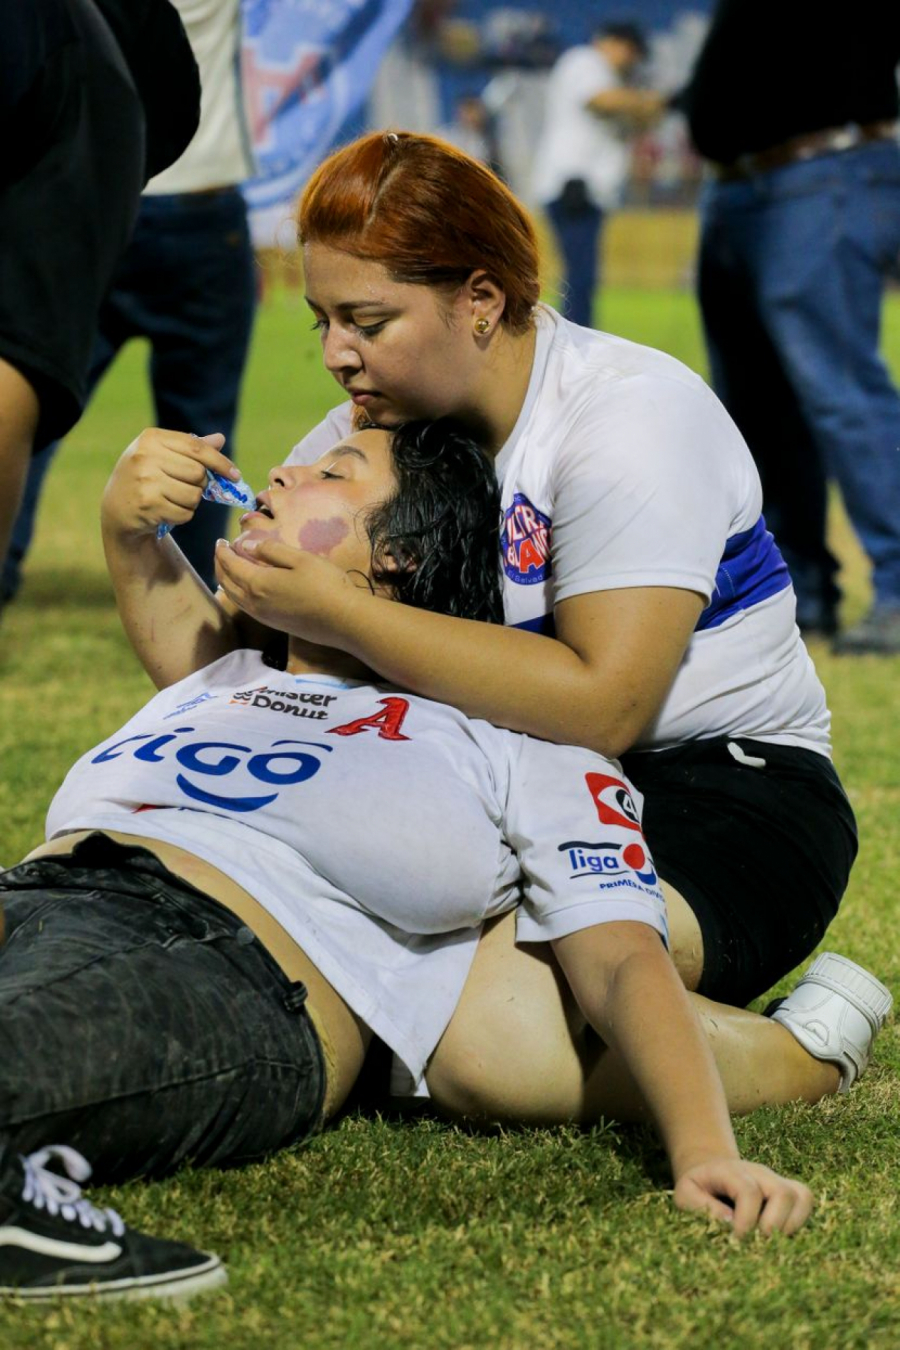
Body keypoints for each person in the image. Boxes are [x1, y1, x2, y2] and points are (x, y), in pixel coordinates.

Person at [0, 419, 888, 1301]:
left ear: (400, 558)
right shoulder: (227, 681)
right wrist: (130, 521)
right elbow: (159, 600)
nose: (281, 467)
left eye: (332, 473)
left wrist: (703, 1155)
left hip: (226, 968)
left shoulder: (516, 737)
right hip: (40, 891)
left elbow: (619, 956)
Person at [209, 130, 865, 1120]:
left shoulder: (629, 419)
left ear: (481, 301)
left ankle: (808, 1045)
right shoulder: (365, 430)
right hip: (483, 771)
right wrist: (140, 547)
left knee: (489, 1026)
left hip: (716, 789)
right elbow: (243, 682)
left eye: (370, 319)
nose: (340, 353)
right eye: (324, 323)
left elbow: (605, 706)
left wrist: (337, 606)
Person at [2, 0, 255, 602]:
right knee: (203, 429)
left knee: (35, 379)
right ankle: (198, 604)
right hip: (200, 196)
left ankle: (6, 568)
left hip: (80, 180)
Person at [678, 1, 900, 652]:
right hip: (737, 184)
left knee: (842, 394)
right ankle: (795, 592)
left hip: (822, 169)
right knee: (756, 407)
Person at [532, 19, 665, 327]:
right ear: (616, 43)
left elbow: (640, 122)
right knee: (579, 279)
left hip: (590, 191)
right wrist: (651, 100)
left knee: (582, 279)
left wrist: (646, 107)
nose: (632, 61)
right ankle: (571, 346)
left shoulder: (614, 80)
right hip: (572, 186)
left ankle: (571, 342)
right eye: (631, 52)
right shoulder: (585, 61)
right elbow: (601, 100)